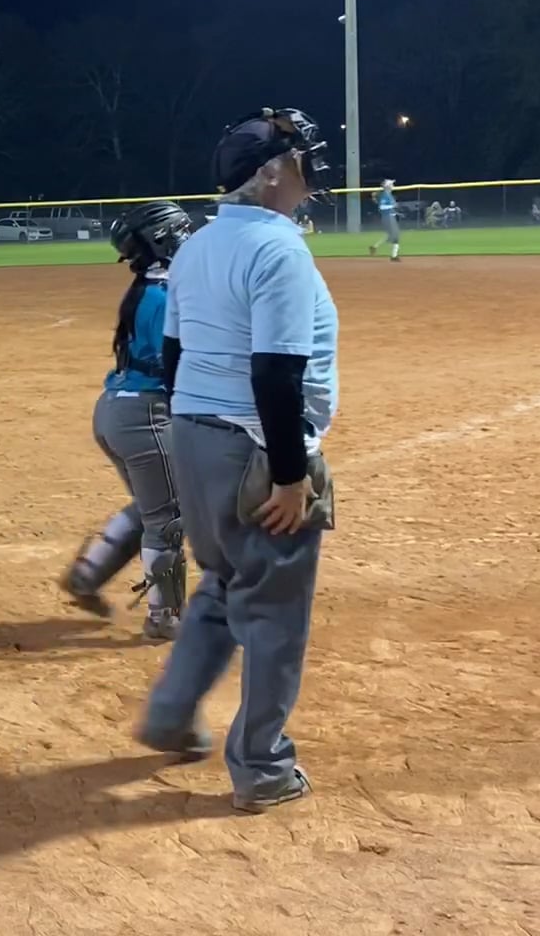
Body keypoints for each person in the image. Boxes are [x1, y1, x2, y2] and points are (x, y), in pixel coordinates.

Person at [138, 107, 339, 814]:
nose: (311, 167)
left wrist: (199, 437)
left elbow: (173, 358)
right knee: (276, 619)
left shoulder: (195, 247)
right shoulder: (278, 249)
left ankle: (171, 712)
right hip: (255, 443)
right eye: (302, 157)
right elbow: (276, 372)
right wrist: (288, 474)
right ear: (273, 172)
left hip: (195, 436)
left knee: (224, 581)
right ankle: (262, 768)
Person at [59, 200, 200, 641]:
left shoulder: (150, 288)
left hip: (117, 411)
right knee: (168, 517)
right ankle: (165, 617)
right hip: (145, 417)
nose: (189, 238)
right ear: (164, 242)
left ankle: (88, 574)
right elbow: (178, 368)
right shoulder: (164, 295)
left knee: (153, 505)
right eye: (181, 232)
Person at [368, 178, 400, 260]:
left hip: (390, 216)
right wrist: (393, 206)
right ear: (388, 186)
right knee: (395, 236)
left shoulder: (389, 195)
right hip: (387, 217)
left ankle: (375, 247)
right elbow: (382, 207)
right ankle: (394, 256)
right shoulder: (385, 195)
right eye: (391, 184)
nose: (393, 186)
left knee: (391, 235)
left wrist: (395, 211)